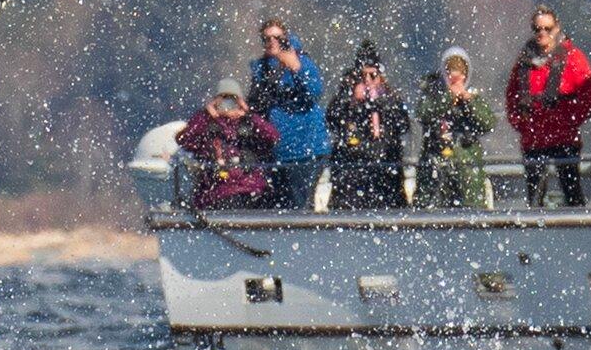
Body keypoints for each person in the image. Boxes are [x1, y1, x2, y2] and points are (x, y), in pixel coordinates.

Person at [506, 6, 591, 208]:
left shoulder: (573, 57)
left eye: (547, 28)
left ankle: (577, 231)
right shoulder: (523, 62)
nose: (542, 33)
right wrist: (522, 123)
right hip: (533, 140)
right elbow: (512, 98)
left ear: (557, 29)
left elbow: (589, 96)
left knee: (571, 190)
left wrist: (568, 120)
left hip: (564, 139)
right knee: (535, 196)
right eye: (537, 29)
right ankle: (536, 234)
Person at [323, 42, 415, 210]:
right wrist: (350, 99)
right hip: (352, 175)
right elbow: (332, 119)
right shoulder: (346, 98)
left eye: (372, 76)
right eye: (361, 76)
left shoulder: (390, 98)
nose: (367, 81)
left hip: (384, 173)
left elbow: (403, 125)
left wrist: (379, 103)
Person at [246, 18, 327, 207]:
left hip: (305, 148)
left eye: (278, 38)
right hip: (277, 150)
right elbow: (257, 105)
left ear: (286, 38)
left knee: (299, 205)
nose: (272, 42)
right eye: (267, 39)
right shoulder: (262, 70)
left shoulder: (302, 61)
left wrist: (296, 69)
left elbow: (314, 92)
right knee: (280, 206)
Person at [173, 78, 278, 212]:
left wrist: (249, 115)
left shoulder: (249, 123)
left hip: (251, 188)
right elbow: (184, 139)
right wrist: (207, 115)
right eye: (223, 100)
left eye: (233, 100)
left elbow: (273, 137)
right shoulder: (207, 125)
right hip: (217, 190)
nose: (228, 105)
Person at [415, 48, 495, 208]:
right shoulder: (432, 93)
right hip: (435, 168)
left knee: (471, 214)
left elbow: (487, 123)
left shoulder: (473, 97)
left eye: (460, 74)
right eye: (451, 74)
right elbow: (423, 114)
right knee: (432, 212)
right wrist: (448, 97)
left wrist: (468, 102)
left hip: (468, 170)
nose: (456, 80)